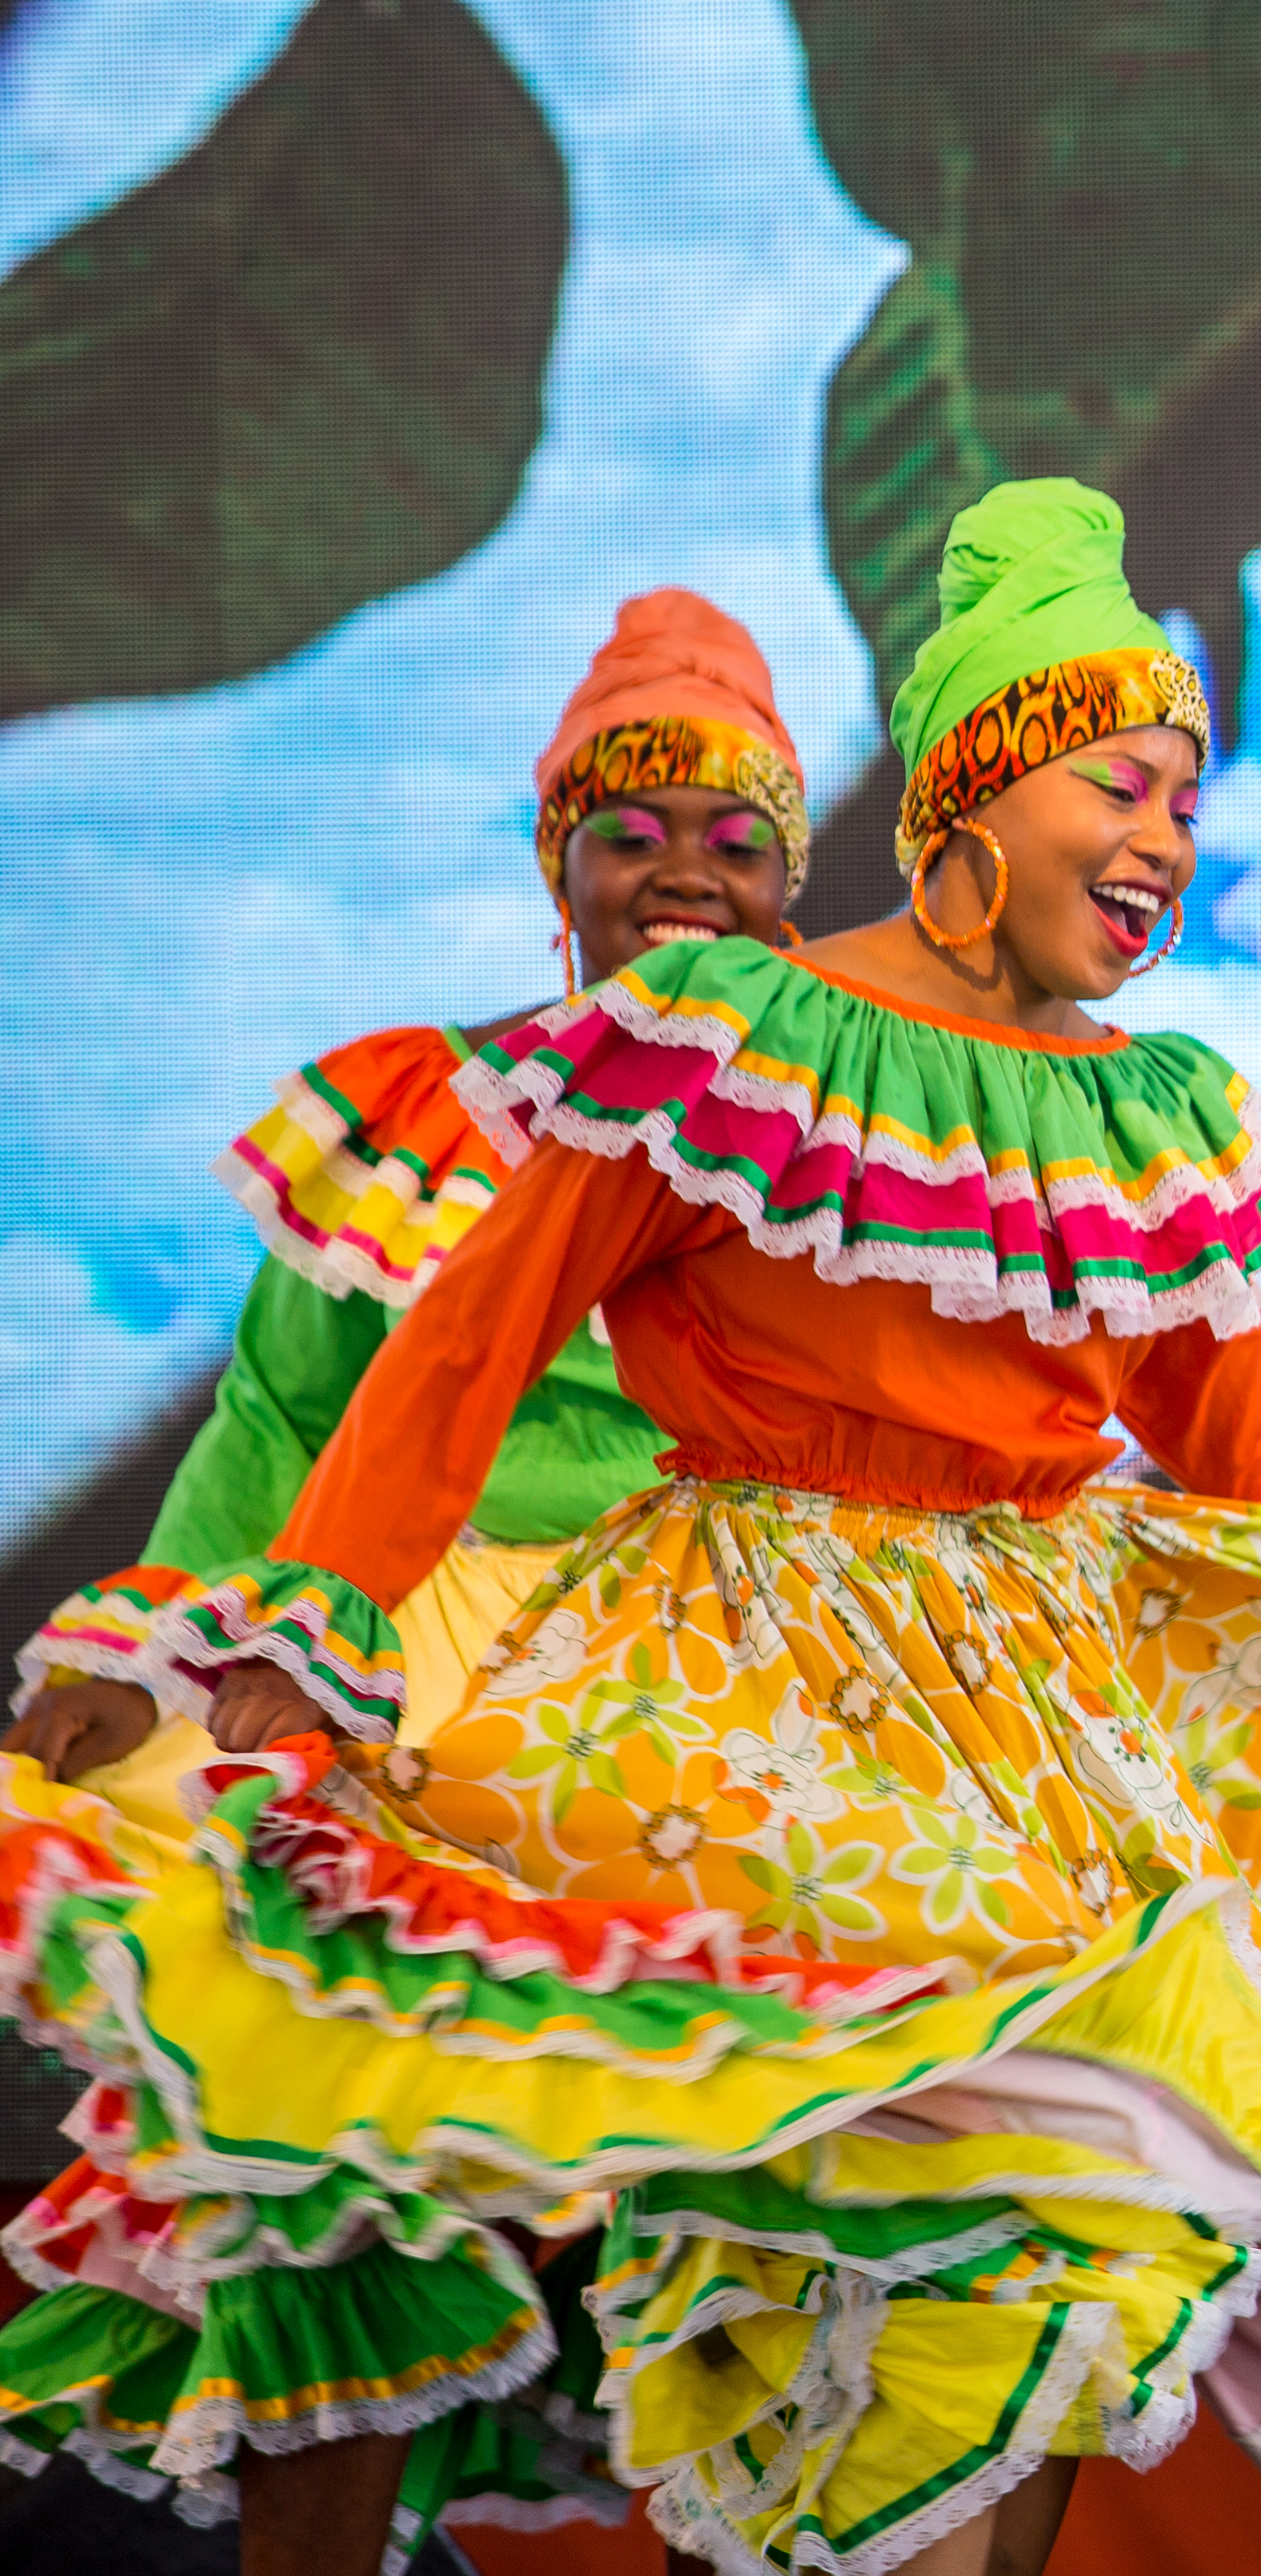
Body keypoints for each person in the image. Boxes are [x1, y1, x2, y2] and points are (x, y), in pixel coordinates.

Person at [0, 482, 1261, 2576]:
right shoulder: (714, 1056)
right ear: (969, 795)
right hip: (698, 1696)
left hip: (1004, 1729)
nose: (1160, 838)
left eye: (1188, 801)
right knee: (398, 2163)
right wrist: (285, 1635)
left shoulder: (1160, 1114)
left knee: (1086, 2211)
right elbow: (442, 1365)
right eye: (1118, 781)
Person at [0, 587, 812, 2567]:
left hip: (713, 1693)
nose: (678, 872)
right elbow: (279, 1428)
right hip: (402, 1681)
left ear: (794, 881)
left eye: (734, 837)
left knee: (796, 2203)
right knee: (314, 2147)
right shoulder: (416, 1112)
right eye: (631, 832)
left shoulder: (857, 1146)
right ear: (564, 864)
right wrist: (149, 1649)